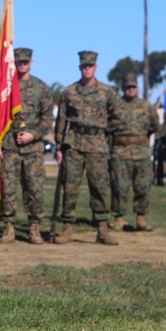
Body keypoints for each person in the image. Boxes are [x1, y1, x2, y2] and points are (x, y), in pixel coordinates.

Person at [53, 51, 119, 245]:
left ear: (96, 67)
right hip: (73, 144)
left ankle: (102, 229)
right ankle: (67, 229)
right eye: (84, 66)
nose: (87, 69)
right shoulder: (69, 92)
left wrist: (106, 133)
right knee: (71, 187)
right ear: (80, 68)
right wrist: (58, 146)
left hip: (97, 144)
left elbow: (117, 117)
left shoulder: (107, 92)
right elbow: (61, 120)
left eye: (90, 66)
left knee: (99, 188)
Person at [0, 47, 54, 244]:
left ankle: (34, 227)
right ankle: (8, 226)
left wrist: (33, 135)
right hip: (10, 146)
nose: (21, 65)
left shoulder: (41, 88)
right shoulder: (6, 88)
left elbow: (47, 119)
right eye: (18, 62)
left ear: (31, 63)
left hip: (33, 147)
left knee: (34, 188)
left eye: (24, 62)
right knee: (9, 189)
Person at [108, 72, 160, 231]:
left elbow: (154, 126)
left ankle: (141, 218)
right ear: (123, 88)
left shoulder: (146, 107)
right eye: (127, 87)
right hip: (120, 151)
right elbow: (107, 127)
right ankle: (119, 218)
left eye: (133, 87)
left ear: (137, 88)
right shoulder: (115, 106)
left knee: (143, 186)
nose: (130, 89)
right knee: (119, 187)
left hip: (141, 152)